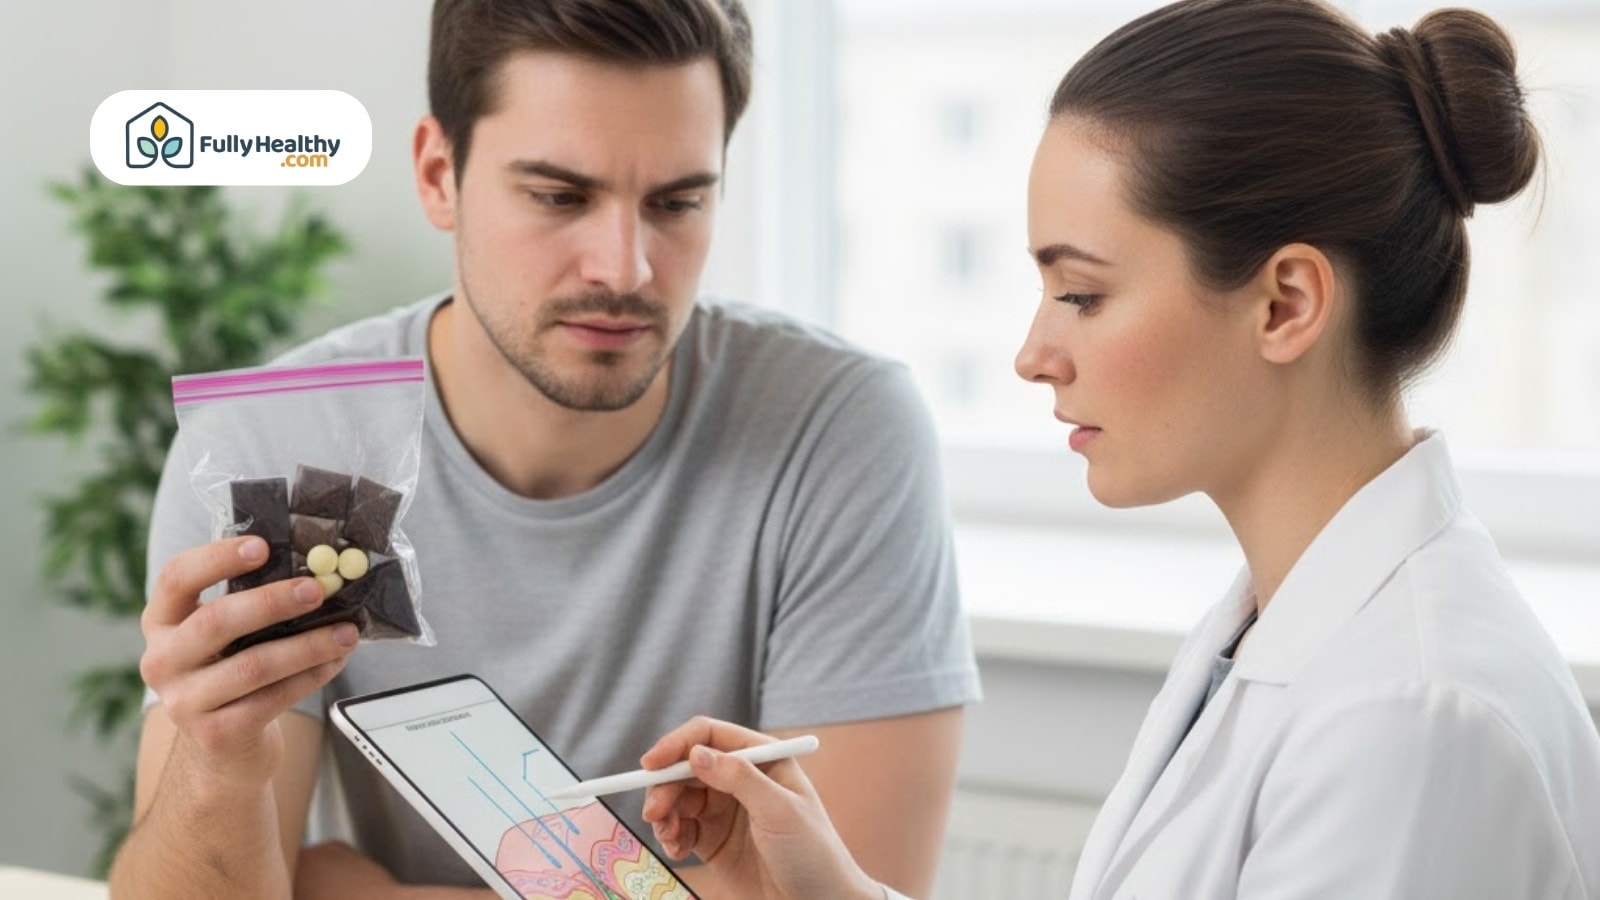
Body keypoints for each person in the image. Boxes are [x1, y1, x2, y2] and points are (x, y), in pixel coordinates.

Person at [636, 0, 1600, 897]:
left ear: (1287, 304)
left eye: (1083, 295)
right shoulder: (1286, 632)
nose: (1033, 356)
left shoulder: (1408, 722)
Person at [109, 1, 981, 898]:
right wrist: (215, 769)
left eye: (678, 202)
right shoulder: (274, 443)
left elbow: (844, 892)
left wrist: (352, 891)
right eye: (560, 197)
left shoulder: (838, 429)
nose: (624, 268)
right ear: (439, 173)